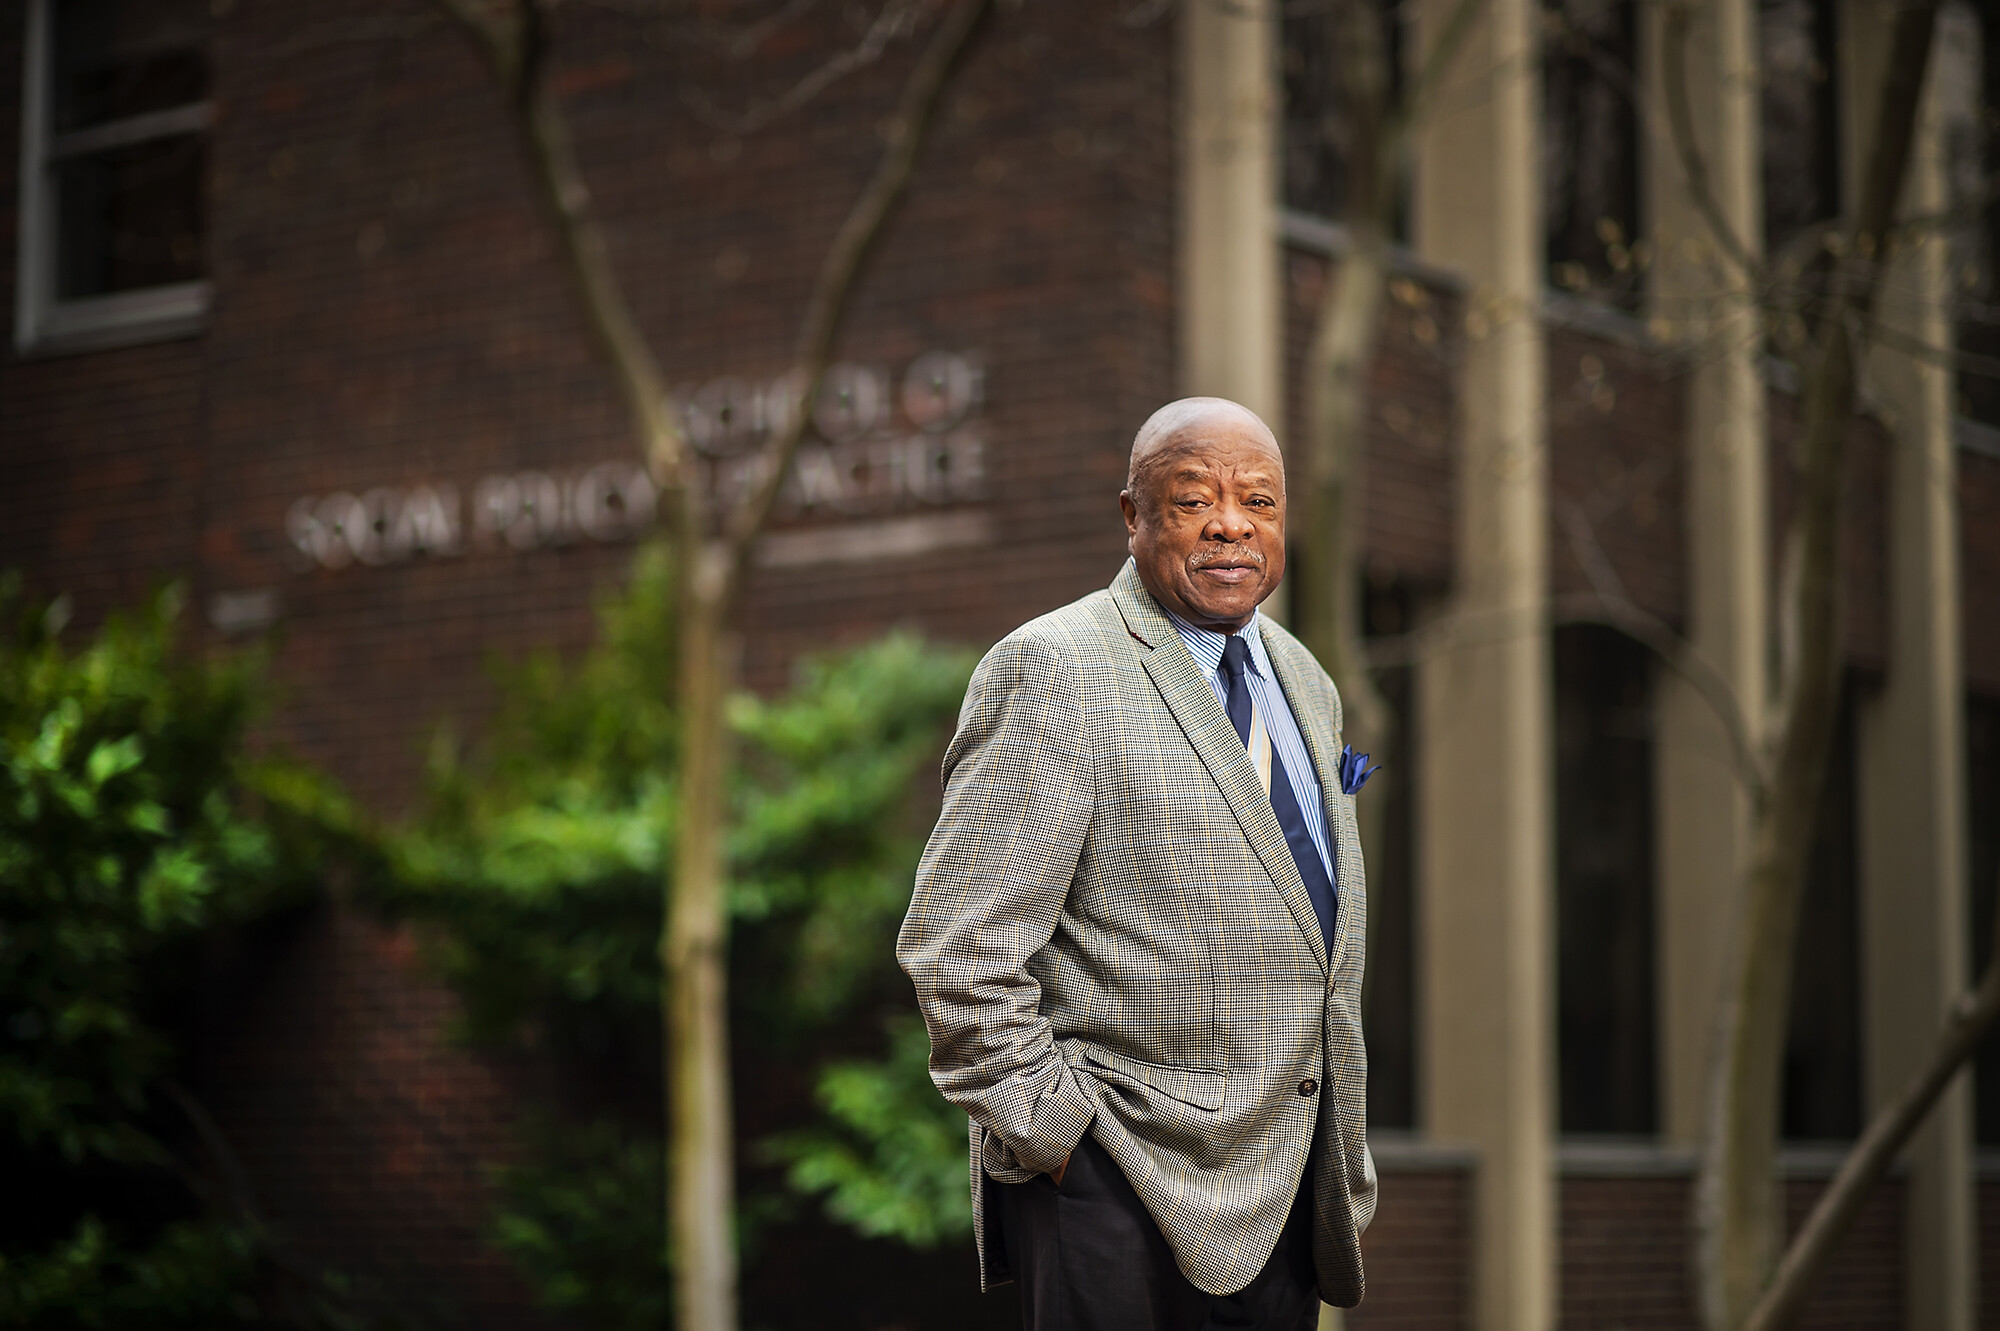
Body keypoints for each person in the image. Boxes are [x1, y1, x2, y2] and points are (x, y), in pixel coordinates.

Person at [897, 397, 1375, 1331]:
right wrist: (1060, 1138)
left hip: (1287, 1186)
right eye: (1195, 499)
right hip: (1117, 1186)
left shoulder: (1304, 678)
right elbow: (958, 951)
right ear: (1134, 516)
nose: (1232, 523)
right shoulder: (1057, 668)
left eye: (1259, 501)